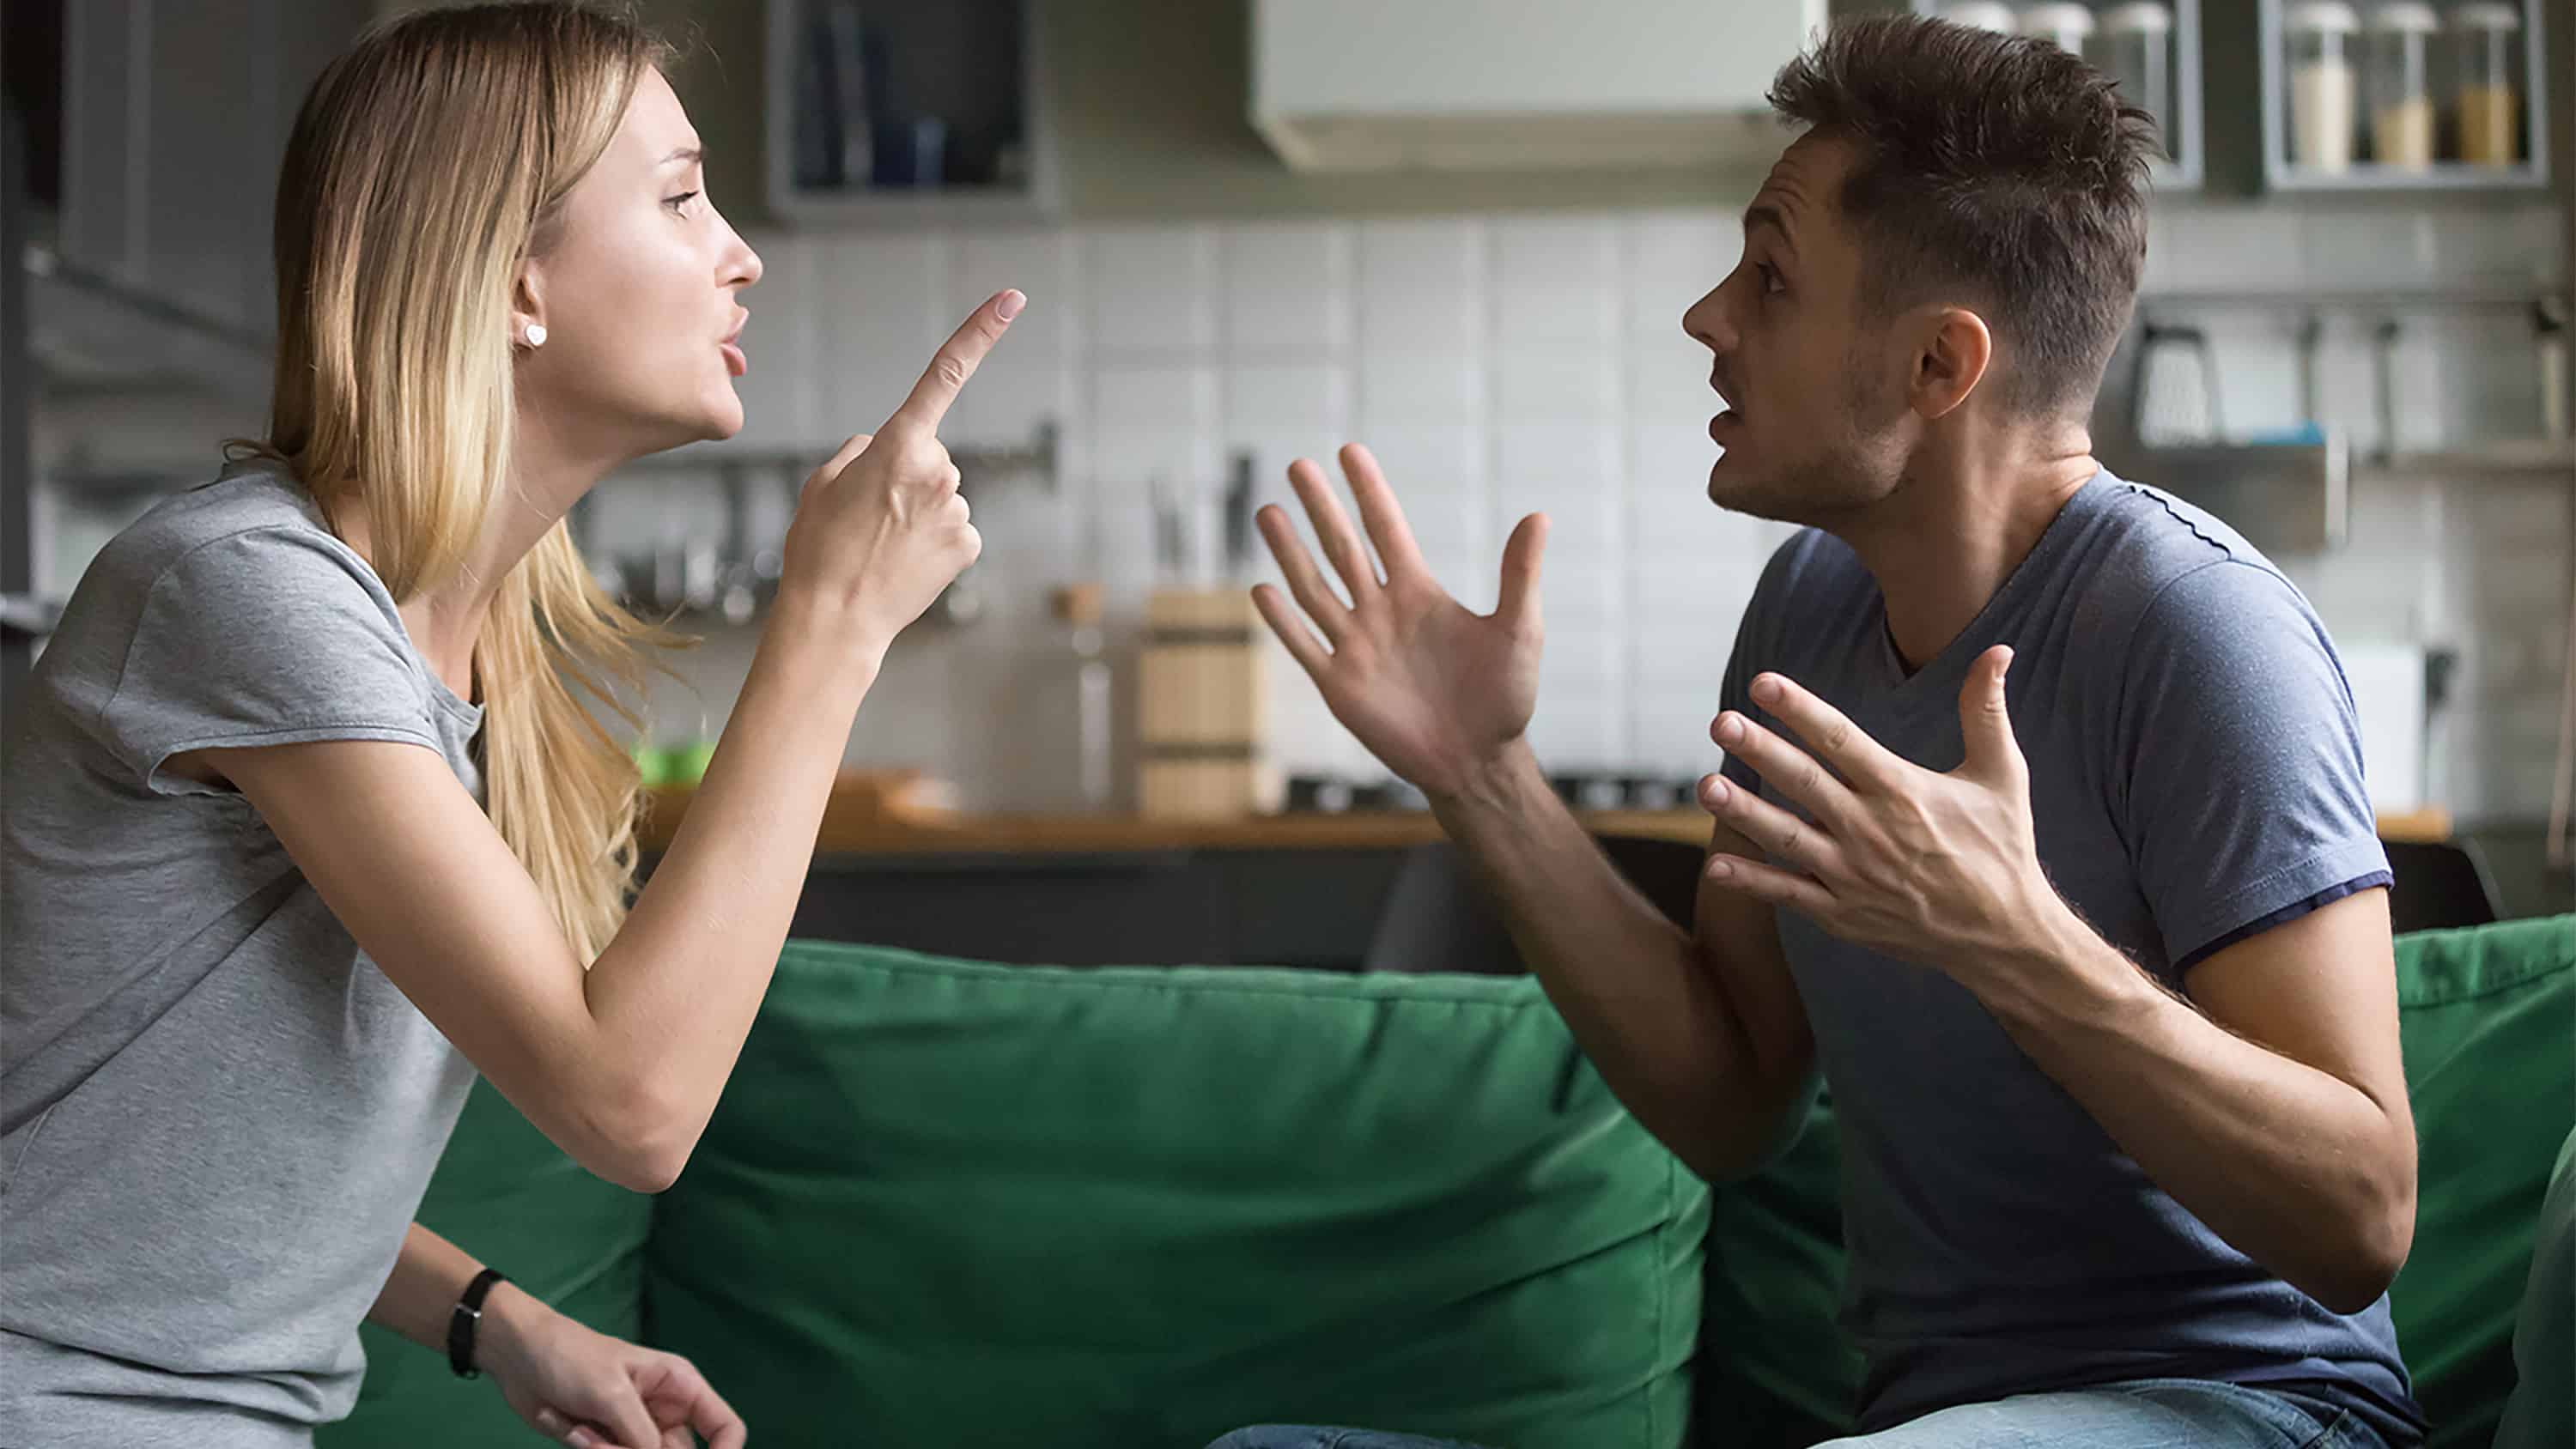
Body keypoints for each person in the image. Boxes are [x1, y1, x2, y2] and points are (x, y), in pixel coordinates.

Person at [1219, 15, 2424, 1449]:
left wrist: (2012, 941)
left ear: (1937, 366)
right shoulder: (1808, 611)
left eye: (1772, 276)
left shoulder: (2198, 633)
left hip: (2253, 1409)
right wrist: (1481, 777)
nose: (1710, 317)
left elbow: (2363, 1215)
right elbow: (1734, 1099)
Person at [0, 6, 1020, 1446]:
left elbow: (178, 1153)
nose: (743, 251)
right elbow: (633, 1111)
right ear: (513, 285)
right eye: (679, 198)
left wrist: (502, 1320)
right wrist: (837, 623)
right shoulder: (245, 589)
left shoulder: (436, 652)